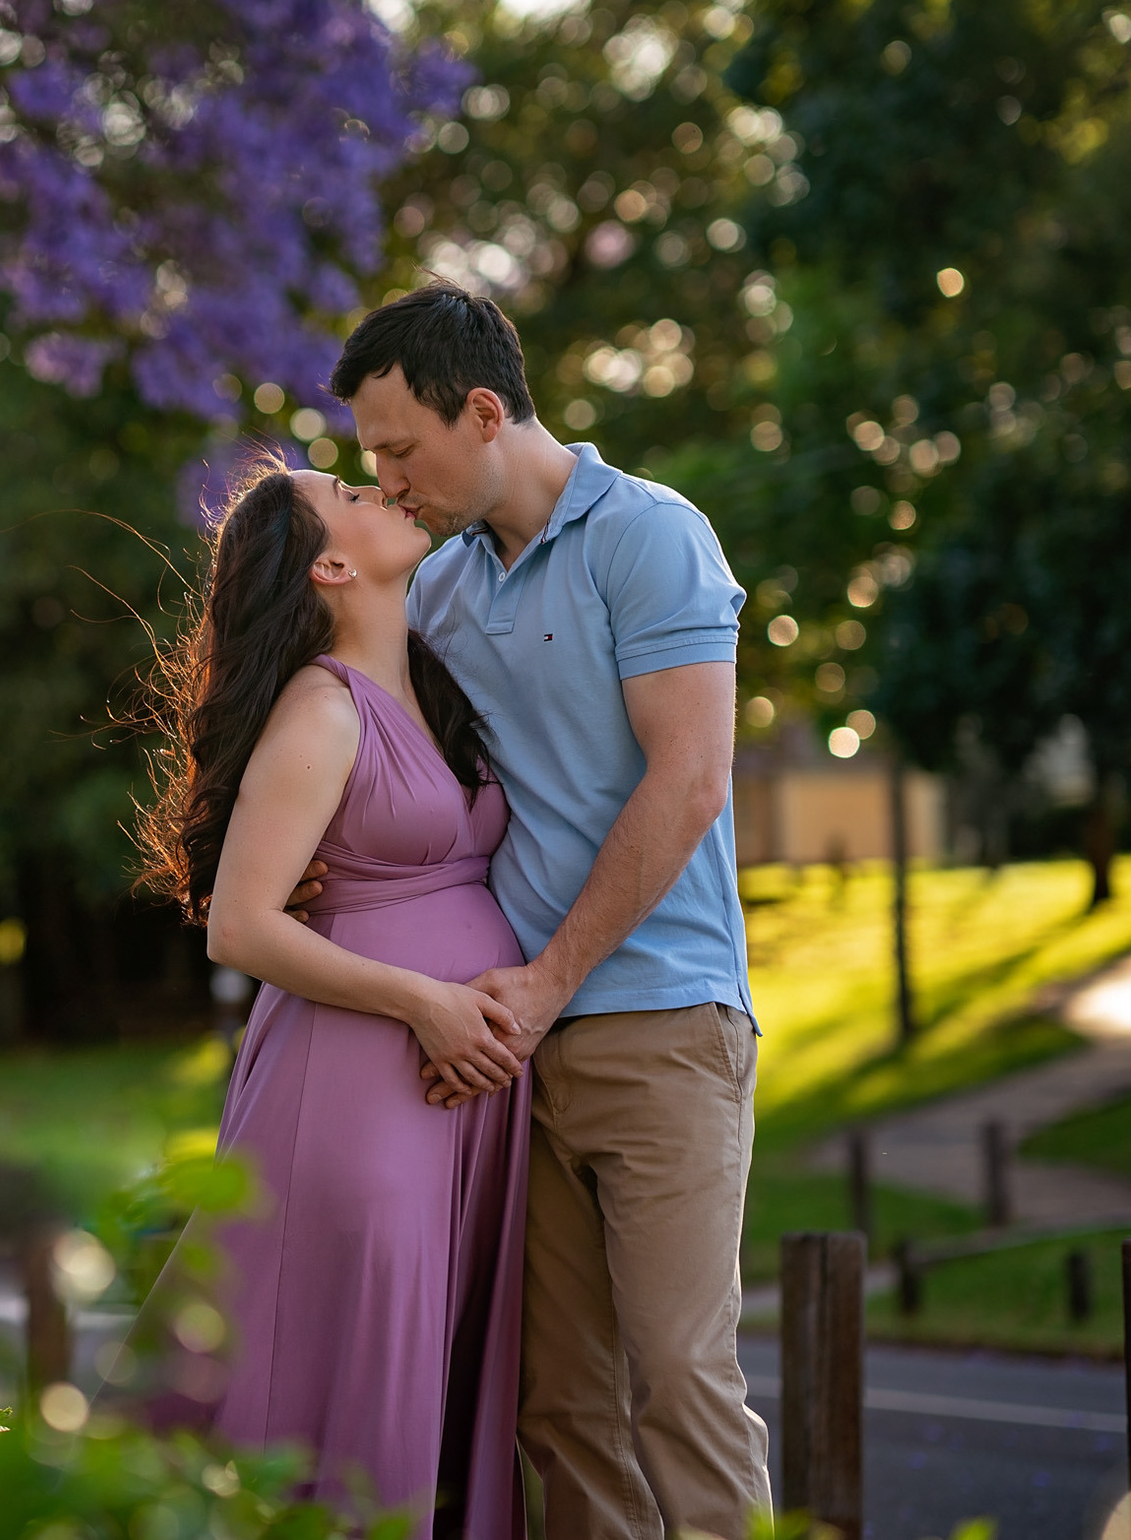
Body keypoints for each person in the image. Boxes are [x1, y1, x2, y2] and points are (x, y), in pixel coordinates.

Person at [319, 281, 770, 1540]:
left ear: (480, 412)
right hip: (511, 1046)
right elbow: (374, 740)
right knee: (558, 1407)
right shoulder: (446, 588)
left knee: (682, 1378)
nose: (390, 480)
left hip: (660, 1019)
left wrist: (554, 973)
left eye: (401, 449)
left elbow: (689, 781)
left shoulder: (651, 535)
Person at [132, 446, 533, 1538]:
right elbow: (240, 921)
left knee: (427, 1373)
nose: (381, 489)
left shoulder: (437, 678)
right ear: (329, 570)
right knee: (361, 1376)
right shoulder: (321, 708)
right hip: (359, 1089)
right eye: (349, 495)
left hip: (459, 1095)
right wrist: (426, 1002)